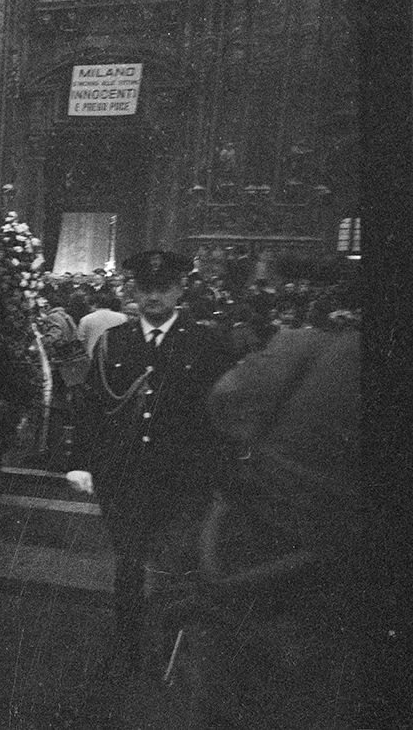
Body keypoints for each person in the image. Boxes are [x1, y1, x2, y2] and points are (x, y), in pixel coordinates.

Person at [190, 303, 367, 727]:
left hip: (271, 547)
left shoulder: (310, 345)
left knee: (243, 690)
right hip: (342, 575)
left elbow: (225, 399)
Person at [65, 250, 235, 677]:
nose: (154, 296)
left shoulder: (206, 344)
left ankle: (166, 647)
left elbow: (221, 413)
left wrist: (219, 472)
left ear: (180, 290)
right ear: (133, 291)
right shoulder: (114, 341)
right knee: (128, 562)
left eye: (163, 288)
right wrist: (80, 462)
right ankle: (126, 647)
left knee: (173, 566)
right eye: (145, 288)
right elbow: (92, 405)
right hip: (123, 475)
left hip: (181, 478)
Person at [76, 289, 126, 358]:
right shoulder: (122, 317)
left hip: (92, 355)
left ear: (95, 304)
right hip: (117, 355)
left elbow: (80, 339)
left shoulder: (86, 319)